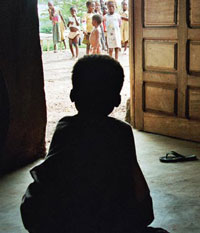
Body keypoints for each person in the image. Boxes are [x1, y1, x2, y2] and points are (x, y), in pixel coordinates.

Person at [20, 55, 169, 233]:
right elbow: (143, 203)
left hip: (61, 224)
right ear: (117, 100)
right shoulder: (120, 132)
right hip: (106, 223)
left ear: (73, 95)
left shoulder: (65, 127)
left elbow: (45, 188)